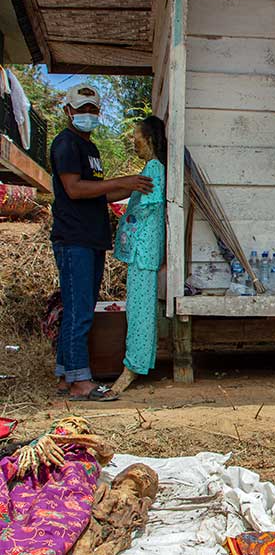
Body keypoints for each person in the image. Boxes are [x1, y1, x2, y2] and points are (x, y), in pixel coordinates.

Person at [51, 84, 152, 402]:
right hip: (74, 238)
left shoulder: (89, 148)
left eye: (93, 110)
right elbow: (74, 189)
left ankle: (67, 374)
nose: (88, 115)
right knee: (79, 309)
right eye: (82, 110)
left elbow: (100, 193)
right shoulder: (67, 144)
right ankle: (80, 381)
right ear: (69, 111)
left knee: (80, 307)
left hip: (91, 238)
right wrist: (124, 181)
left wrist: (134, 188)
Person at [110, 116, 167, 395]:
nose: (134, 142)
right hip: (141, 252)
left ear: (150, 139)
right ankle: (136, 362)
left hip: (144, 251)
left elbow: (147, 207)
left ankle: (133, 367)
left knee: (140, 312)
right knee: (139, 309)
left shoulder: (154, 168)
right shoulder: (149, 168)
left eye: (137, 137)